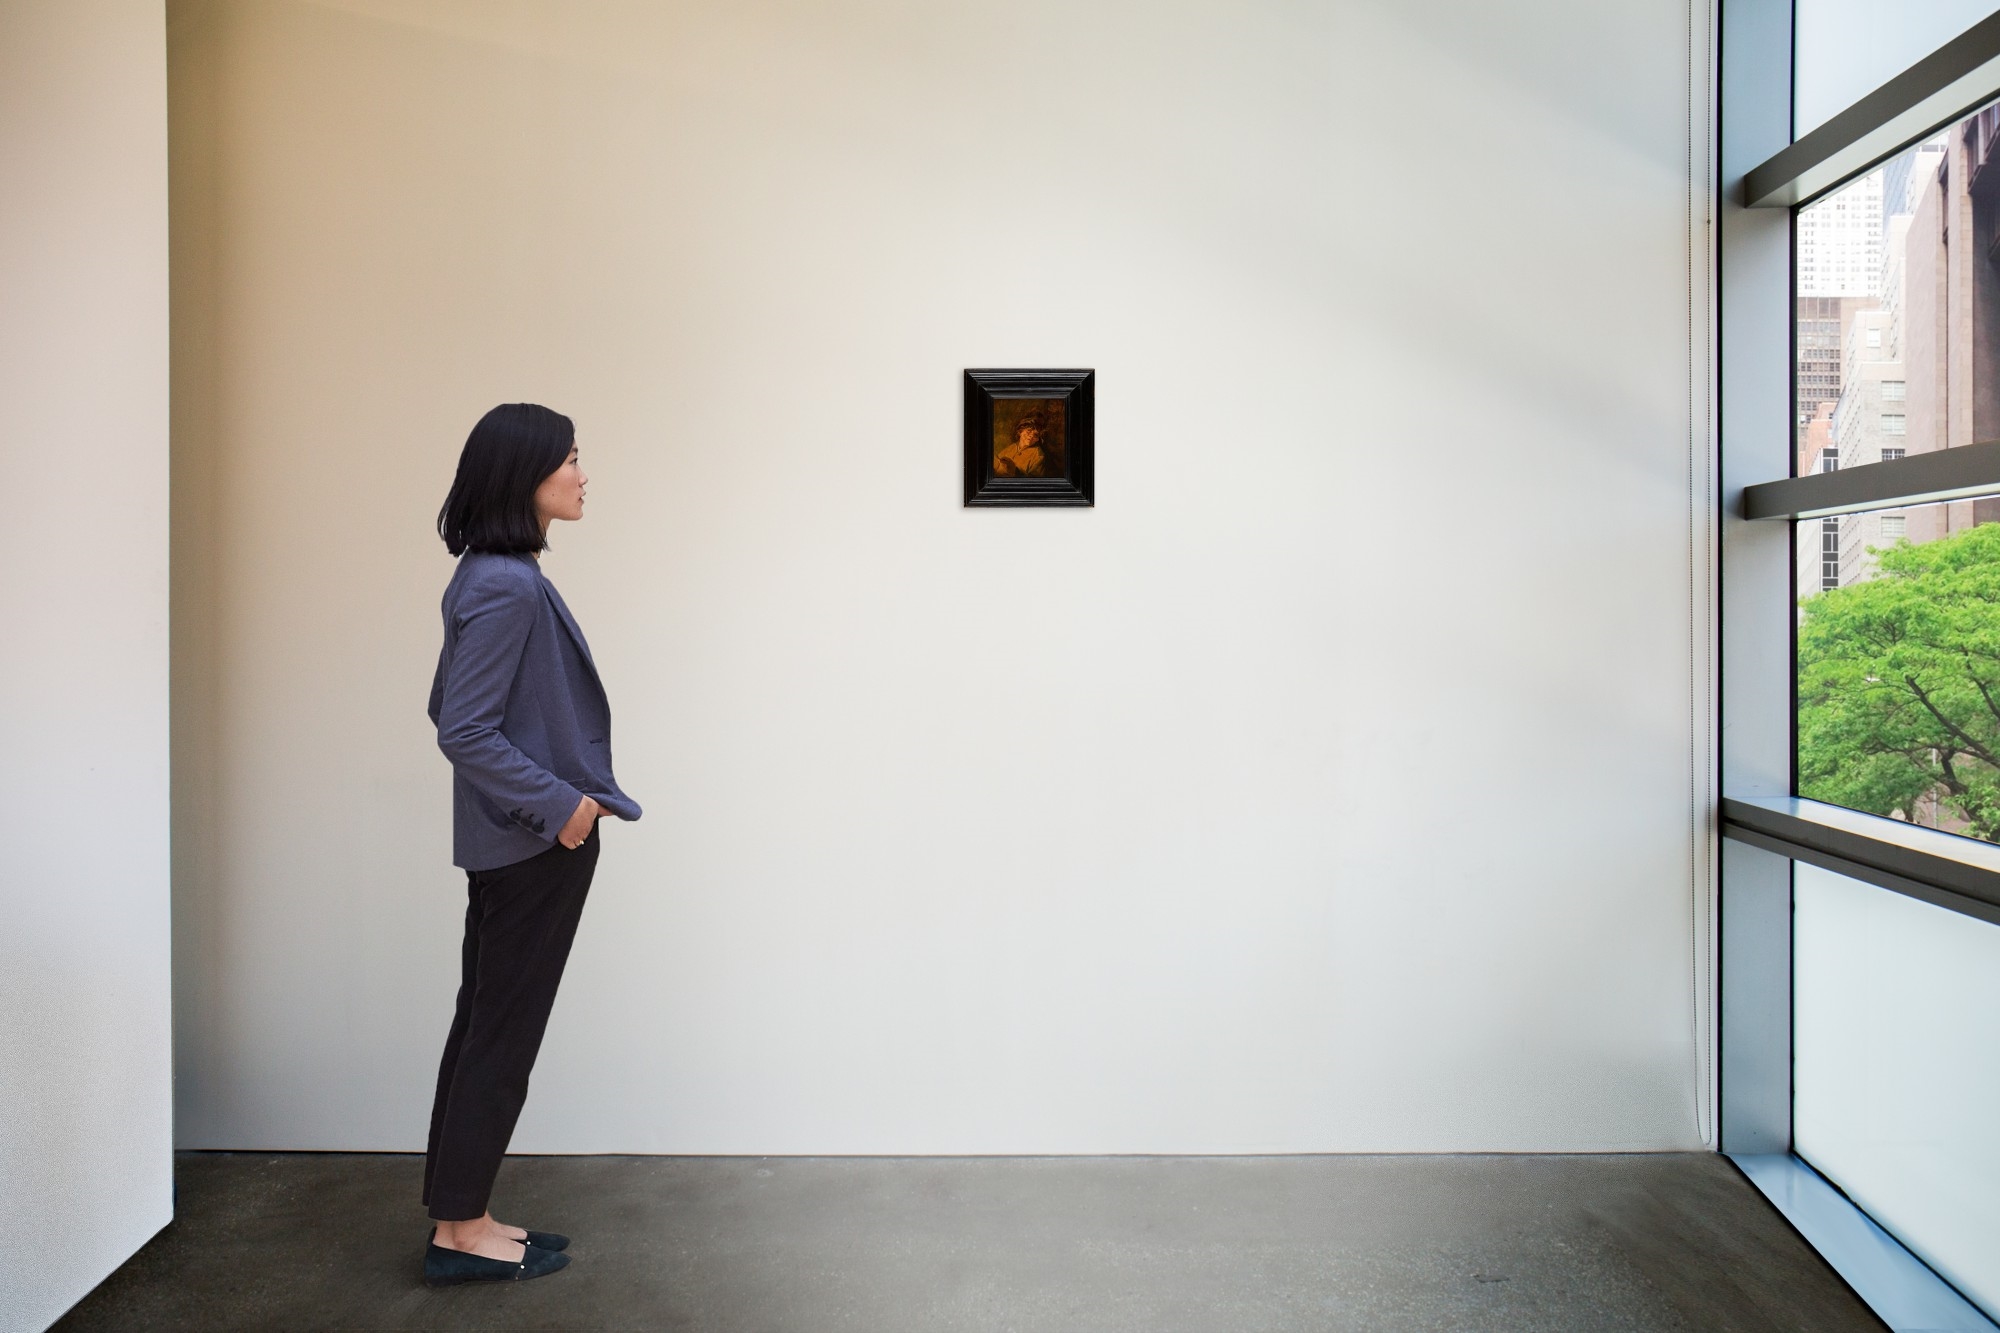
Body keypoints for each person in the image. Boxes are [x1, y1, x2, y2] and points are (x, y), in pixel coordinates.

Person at [420, 402, 642, 1286]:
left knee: (484, 1027)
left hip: (512, 844)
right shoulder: (506, 584)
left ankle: (460, 1218)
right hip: (531, 846)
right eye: (572, 459)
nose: (584, 474)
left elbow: (448, 709)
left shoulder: (489, 572)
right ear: (527, 476)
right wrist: (564, 809)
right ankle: (462, 1231)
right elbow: (464, 728)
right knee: (500, 1036)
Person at [993, 407, 1062, 477]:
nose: (1031, 436)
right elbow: (997, 463)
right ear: (1020, 431)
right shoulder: (1011, 448)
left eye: (1035, 434)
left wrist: (1016, 472)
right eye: (1029, 431)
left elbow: (1035, 482)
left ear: (1039, 437)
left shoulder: (1039, 456)